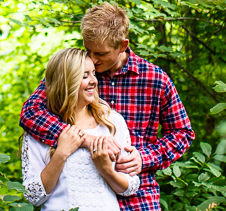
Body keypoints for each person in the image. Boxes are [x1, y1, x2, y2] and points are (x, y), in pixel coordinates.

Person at [21, 3, 194, 211]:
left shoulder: (155, 80)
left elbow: (182, 133)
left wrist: (144, 157)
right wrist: (83, 139)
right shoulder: (78, 74)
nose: (93, 59)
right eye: (88, 50)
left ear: (122, 45)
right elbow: (31, 112)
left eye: (100, 54)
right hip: (86, 192)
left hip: (137, 196)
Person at [21, 47, 140, 211]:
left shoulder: (111, 121)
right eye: (85, 76)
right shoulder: (39, 129)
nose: (94, 81)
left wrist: (106, 170)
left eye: (93, 73)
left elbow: (130, 186)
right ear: (65, 82)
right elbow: (33, 196)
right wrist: (61, 153)